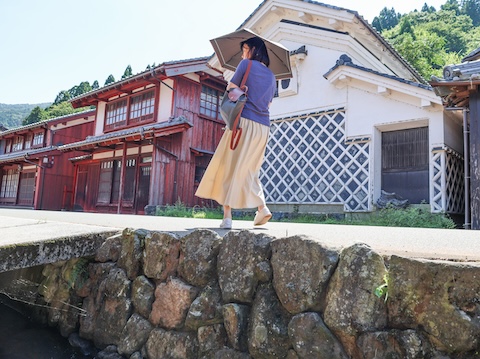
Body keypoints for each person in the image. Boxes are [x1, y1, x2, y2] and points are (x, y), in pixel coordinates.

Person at [195, 36, 277, 229]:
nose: (243, 54)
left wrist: (239, 87)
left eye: (245, 49)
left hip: (243, 123)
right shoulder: (273, 77)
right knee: (250, 169)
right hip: (263, 127)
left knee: (228, 165)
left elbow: (231, 89)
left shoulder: (245, 64)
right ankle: (262, 208)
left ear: (253, 50)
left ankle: (227, 216)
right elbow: (269, 103)